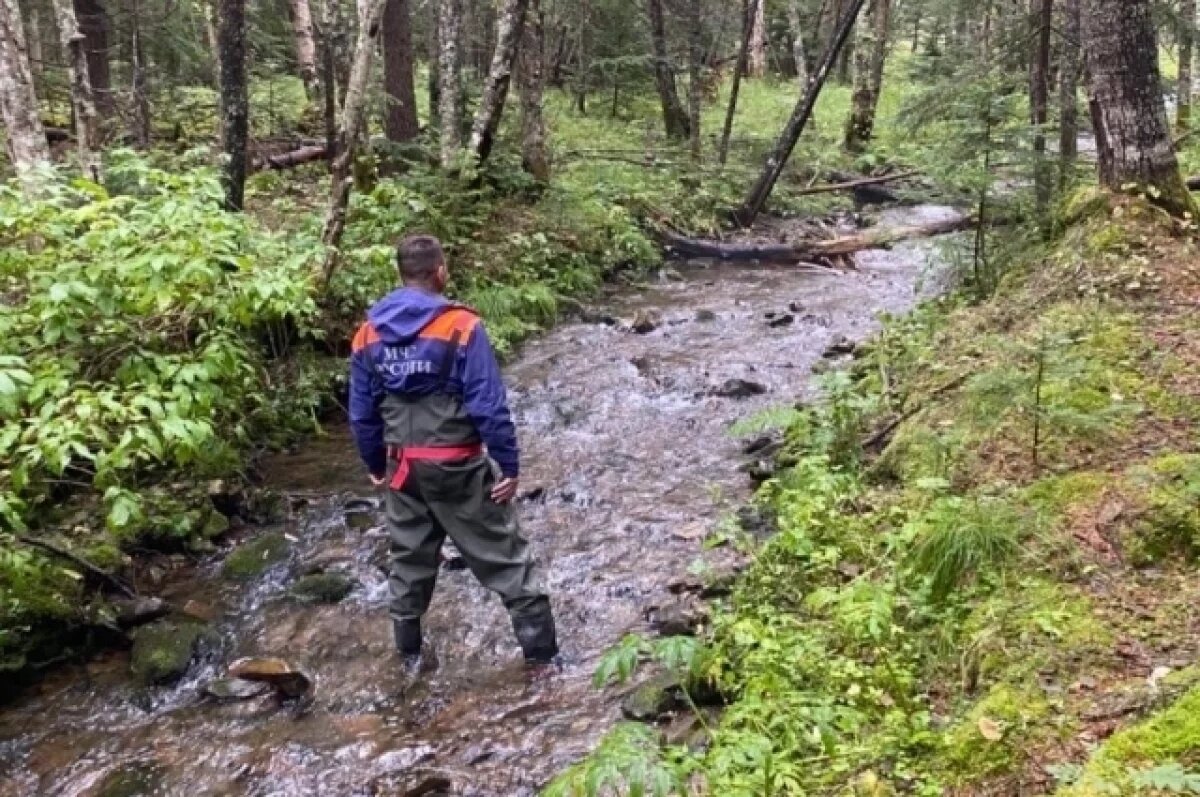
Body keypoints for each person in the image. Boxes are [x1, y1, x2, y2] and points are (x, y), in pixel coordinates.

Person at [348, 234, 558, 667]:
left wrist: (373, 463)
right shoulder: (461, 326)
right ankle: (544, 662)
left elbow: (362, 410)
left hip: (402, 468)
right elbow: (487, 403)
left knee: (408, 560)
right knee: (505, 557)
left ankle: (408, 660)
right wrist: (510, 465)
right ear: (440, 271)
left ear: (401, 274)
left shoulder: (367, 335)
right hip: (457, 463)